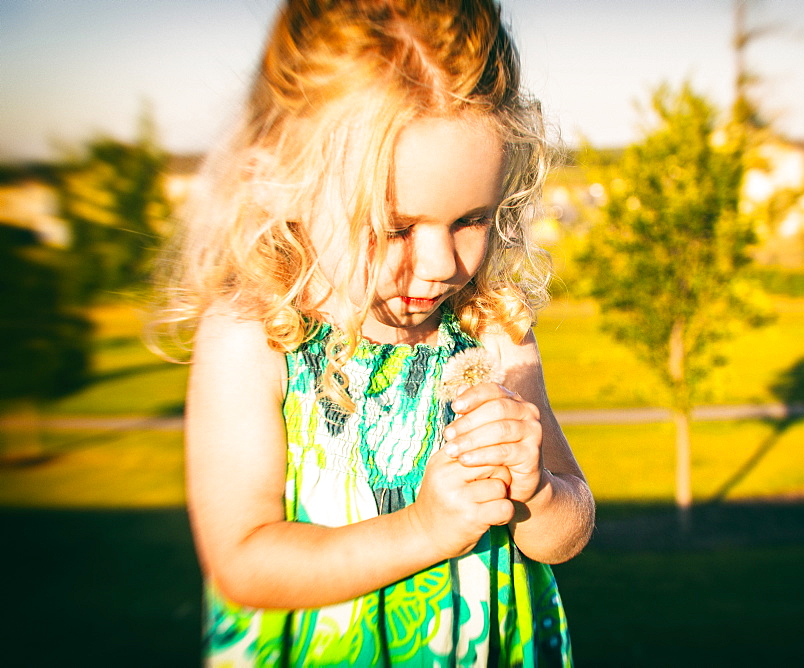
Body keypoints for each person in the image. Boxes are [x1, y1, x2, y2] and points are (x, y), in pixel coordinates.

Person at [151, 0, 594, 664]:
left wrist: (536, 491)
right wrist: (422, 530)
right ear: (287, 185)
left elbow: (568, 531)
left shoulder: (491, 328)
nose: (444, 265)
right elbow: (243, 561)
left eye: (470, 218)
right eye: (396, 228)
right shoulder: (253, 337)